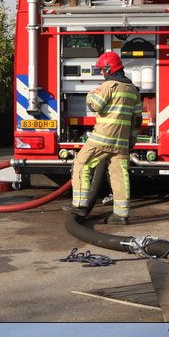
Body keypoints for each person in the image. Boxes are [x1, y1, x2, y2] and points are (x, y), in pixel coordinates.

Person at [62, 52, 142, 225]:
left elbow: (95, 105)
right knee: (119, 175)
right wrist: (131, 141)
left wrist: (91, 94)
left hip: (102, 137)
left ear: (108, 68)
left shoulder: (109, 86)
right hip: (122, 142)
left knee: (81, 164)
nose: (101, 73)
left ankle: (80, 204)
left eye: (101, 69)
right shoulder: (133, 89)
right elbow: (137, 120)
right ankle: (121, 215)